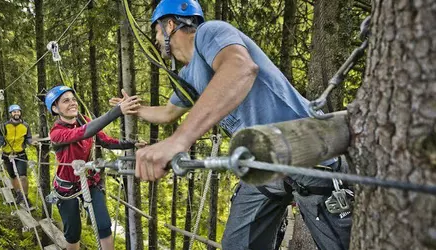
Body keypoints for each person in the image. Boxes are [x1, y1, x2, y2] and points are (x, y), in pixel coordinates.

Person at [112, 1, 352, 250]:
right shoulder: (187, 75)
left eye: (157, 31)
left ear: (170, 24)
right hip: (261, 161)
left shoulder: (209, 32)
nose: (157, 39)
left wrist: (178, 141)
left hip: (305, 147)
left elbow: (240, 68)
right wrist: (134, 109)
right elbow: (168, 113)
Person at [45, 85, 144, 250]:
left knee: (104, 226)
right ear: (55, 109)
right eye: (65, 101)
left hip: (90, 182)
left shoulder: (84, 120)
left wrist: (131, 144)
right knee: (73, 233)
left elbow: (105, 140)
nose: (72, 103)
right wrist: (117, 110)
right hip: (66, 188)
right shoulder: (56, 133)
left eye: (73, 99)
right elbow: (84, 133)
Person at [0, 104, 37, 205]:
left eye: (18, 111)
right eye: (14, 111)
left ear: (20, 113)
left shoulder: (25, 126)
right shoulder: (4, 126)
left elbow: (28, 138)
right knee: (13, 176)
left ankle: (25, 197)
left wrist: (32, 143)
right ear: (11, 114)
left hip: (20, 154)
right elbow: (0, 140)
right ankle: (18, 194)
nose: (16, 113)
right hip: (7, 155)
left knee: (23, 176)